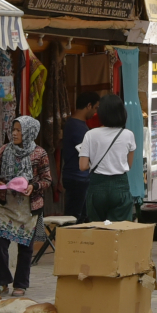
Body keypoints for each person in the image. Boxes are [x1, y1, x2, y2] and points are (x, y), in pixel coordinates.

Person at [0, 116, 50, 299]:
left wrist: (34, 187)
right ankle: (1, 283)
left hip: (28, 208)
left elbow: (47, 179)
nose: (14, 133)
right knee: (0, 243)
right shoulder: (3, 150)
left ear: (29, 132)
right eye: (13, 129)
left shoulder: (40, 153)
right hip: (5, 206)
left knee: (25, 247)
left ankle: (20, 284)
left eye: (19, 130)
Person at [80, 93, 136, 222]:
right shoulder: (128, 135)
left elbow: (82, 166)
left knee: (98, 231)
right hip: (120, 187)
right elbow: (128, 165)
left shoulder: (90, 134)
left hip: (97, 187)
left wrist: (96, 162)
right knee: (119, 231)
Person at [60, 91, 95, 221]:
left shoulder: (77, 124)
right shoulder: (76, 126)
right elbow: (85, 152)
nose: (95, 112)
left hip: (78, 176)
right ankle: (70, 241)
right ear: (89, 105)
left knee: (79, 215)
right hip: (77, 177)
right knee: (75, 217)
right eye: (95, 108)